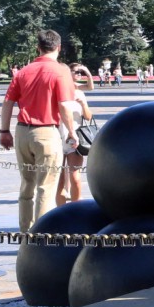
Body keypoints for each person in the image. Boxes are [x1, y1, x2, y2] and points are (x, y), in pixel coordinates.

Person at [0, 30, 76, 230]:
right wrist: (71, 132)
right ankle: (40, 236)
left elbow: (8, 102)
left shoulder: (23, 71)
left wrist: (4, 131)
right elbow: (64, 105)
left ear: (38, 47)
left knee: (27, 185)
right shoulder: (61, 71)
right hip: (46, 132)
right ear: (59, 47)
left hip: (22, 133)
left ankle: (25, 231)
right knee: (46, 187)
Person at [57, 64, 95, 206]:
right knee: (59, 179)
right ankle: (61, 211)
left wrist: (83, 104)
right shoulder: (58, 90)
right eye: (76, 72)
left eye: (81, 73)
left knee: (75, 178)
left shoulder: (79, 92)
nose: (79, 74)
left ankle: (75, 208)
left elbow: (88, 117)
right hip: (58, 136)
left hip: (76, 139)